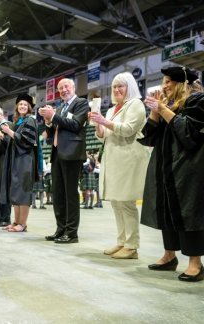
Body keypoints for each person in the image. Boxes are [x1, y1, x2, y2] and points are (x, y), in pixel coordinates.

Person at [140, 66, 204, 282]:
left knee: (188, 213)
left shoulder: (197, 100)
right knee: (166, 211)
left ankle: (195, 263)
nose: (164, 85)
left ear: (183, 83)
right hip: (165, 166)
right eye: (164, 81)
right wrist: (155, 111)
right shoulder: (168, 104)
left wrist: (163, 109)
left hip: (187, 168)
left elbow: (190, 133)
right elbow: (149, 138)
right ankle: (169, 255)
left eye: (169, 81)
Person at [89, 71, 149, 259]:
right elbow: (103, 136)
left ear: (129, 87)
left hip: (129, 159)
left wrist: (103, 121)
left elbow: (128, 130)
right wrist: (98, 125)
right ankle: (122, 241)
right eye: (114, 87)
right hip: (114, 158)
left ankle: (132, 246)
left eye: (120, 86)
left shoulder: (136, 105)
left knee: (127, 203)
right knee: (116, 202)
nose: (116, 90)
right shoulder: (111, 109)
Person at [39, 78, 89, 243]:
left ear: (74, 87)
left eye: (66, 86)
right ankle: (60, 229)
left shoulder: (81, 103)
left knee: (70, 194)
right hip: (57, 154)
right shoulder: (60, 108)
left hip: (72, 154)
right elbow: (54, 130)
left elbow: (75, 124)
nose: (63, 90)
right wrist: (48, 121)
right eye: (60, 88)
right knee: (58, 194)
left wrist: (53, 115)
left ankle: (71, 232)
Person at [0, 93, 38, 233]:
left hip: (25, 159)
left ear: (29, 107)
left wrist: (9, 132)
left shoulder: (30, 120)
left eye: (25, 104)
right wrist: (3, 136)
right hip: (16, 159)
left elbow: (27, 141)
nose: (22, 106)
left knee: (23, 191)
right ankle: (16, 221)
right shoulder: (18, 122)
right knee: (15, 190)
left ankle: (23, 224)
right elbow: (13, 141)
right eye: (20, 104)